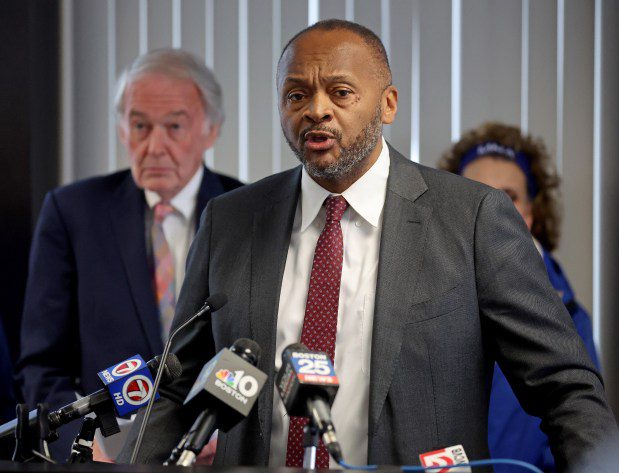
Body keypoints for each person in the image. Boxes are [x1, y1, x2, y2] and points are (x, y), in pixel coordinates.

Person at [119, 20, 617, 471]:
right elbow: (173, 383)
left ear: (388, 104)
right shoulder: (230, 219)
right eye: (296, 95)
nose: (317, 110)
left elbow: (564, 389)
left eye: (340, 92)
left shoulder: (473, 218)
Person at [16, 48, 243, 461]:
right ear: (122, 129)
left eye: (174, 126)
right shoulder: (71, 213)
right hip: (106, 451)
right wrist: (84, 449)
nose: (154, 146)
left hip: (215, 451)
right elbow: (41, 366)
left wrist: (227, 438)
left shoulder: (249, 211)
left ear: (212, 130)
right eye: (140, 125)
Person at [438, 122, 601, 472]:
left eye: (508, 197)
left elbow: (582, 434)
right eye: (476, 192)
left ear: (531, 212)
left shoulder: (570, 319)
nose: (490, 209)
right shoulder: (417, 303)